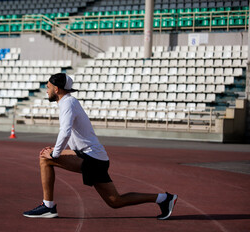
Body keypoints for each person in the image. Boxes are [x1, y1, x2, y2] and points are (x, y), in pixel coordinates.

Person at [23, 73, 177, 220]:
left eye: (48, 87)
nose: (47, 90)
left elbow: (65, 132)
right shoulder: (69, 102)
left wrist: (55, 154)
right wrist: (56, 151)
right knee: (115, 201)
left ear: (57, 89)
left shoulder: (67, 103)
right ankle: (164, 198)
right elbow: (78, 141)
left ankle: (48, 206)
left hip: (92, 158)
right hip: (94, 157)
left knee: (45, 160)